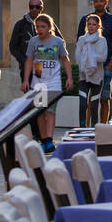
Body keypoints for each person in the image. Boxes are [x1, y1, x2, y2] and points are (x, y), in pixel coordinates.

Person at [22, 13, 73, 153]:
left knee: (50, 111)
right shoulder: (33, 42)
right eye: (37, 27)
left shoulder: (57, 42)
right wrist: (26, 80)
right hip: (38, 81)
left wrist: (69, 77)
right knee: (40, 111)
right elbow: (29, 60)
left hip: (53, 81)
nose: (40, 29)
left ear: (50, 27)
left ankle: (49, 140)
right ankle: (44, 139)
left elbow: (65, 60)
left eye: (43, 27)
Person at [76, 0, 112, 124]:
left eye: (102, 1)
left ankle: (103, 125)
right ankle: (88, 127)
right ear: (93, 3)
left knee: (105, 97)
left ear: (106, 2)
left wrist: (111, 63)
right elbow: (79, 40)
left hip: (105, 65)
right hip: (87, 67)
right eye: (96, 1)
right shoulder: (86, 19)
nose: (99, 3)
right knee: (89, 99)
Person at [75, 14, 108, 128]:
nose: (91, 26)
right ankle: (82, 128)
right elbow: (77, 56)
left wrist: (90, 57)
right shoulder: (82, 39)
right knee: (82, 104)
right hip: (83, 76)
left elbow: (103, 57)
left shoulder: (102, 40)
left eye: (94, 24)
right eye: (89, 24)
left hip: (97, 76)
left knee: (94, 105)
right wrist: (85, 63)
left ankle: (94, 129)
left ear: (98, 26)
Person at [9, 0, 44, 78]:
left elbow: (60, 42)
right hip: (27, 68)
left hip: (45, 67)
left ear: (41, 8)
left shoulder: (48, 24)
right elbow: (13, 46)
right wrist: (24, 61)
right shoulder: (20, 25)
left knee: (43, 90)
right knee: (29, 90)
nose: (34, 9)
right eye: (32, 7)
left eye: (37, 7)